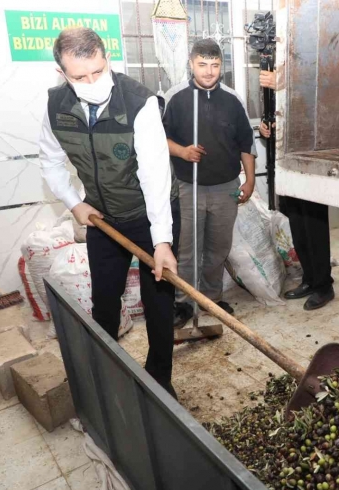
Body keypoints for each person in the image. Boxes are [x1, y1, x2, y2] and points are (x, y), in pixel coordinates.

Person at [38, 28, 181, 397]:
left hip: (149, 214)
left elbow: (154, 176)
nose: (91, 82)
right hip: (102, 218)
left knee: (158, 301)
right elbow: (51, 163)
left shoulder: (140, 102)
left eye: (98, 72)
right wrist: (75, 202)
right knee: (104, 298)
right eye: (79, 77)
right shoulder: (56, 107)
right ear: (62, 74)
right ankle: (102, 372)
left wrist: (161, 240)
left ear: (106, 59)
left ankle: (160, 379)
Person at [163, 39, 256, 329]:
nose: (208, 71)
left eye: (215, 65)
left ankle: (211, 298)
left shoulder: (232, 99)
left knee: (218, 248)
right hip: (188, 186)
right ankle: (184, 302)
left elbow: (245, 143)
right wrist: (182, 151)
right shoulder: (175, 97)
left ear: (221, 67)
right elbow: (157, 140)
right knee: (188, 249)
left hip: (226, 186)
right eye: (202, 65)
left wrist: (250, 179)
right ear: (191, 64)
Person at [259, 69, 335, 310]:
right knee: (297, 224)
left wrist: (283, 84)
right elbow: (281, 112)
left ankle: (324, 285)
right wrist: (267, 126)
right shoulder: (279, 63)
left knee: (314, 225)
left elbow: (320, 95)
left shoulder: (310, 63)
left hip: (310, 155)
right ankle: (310, 279)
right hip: (287, 156)